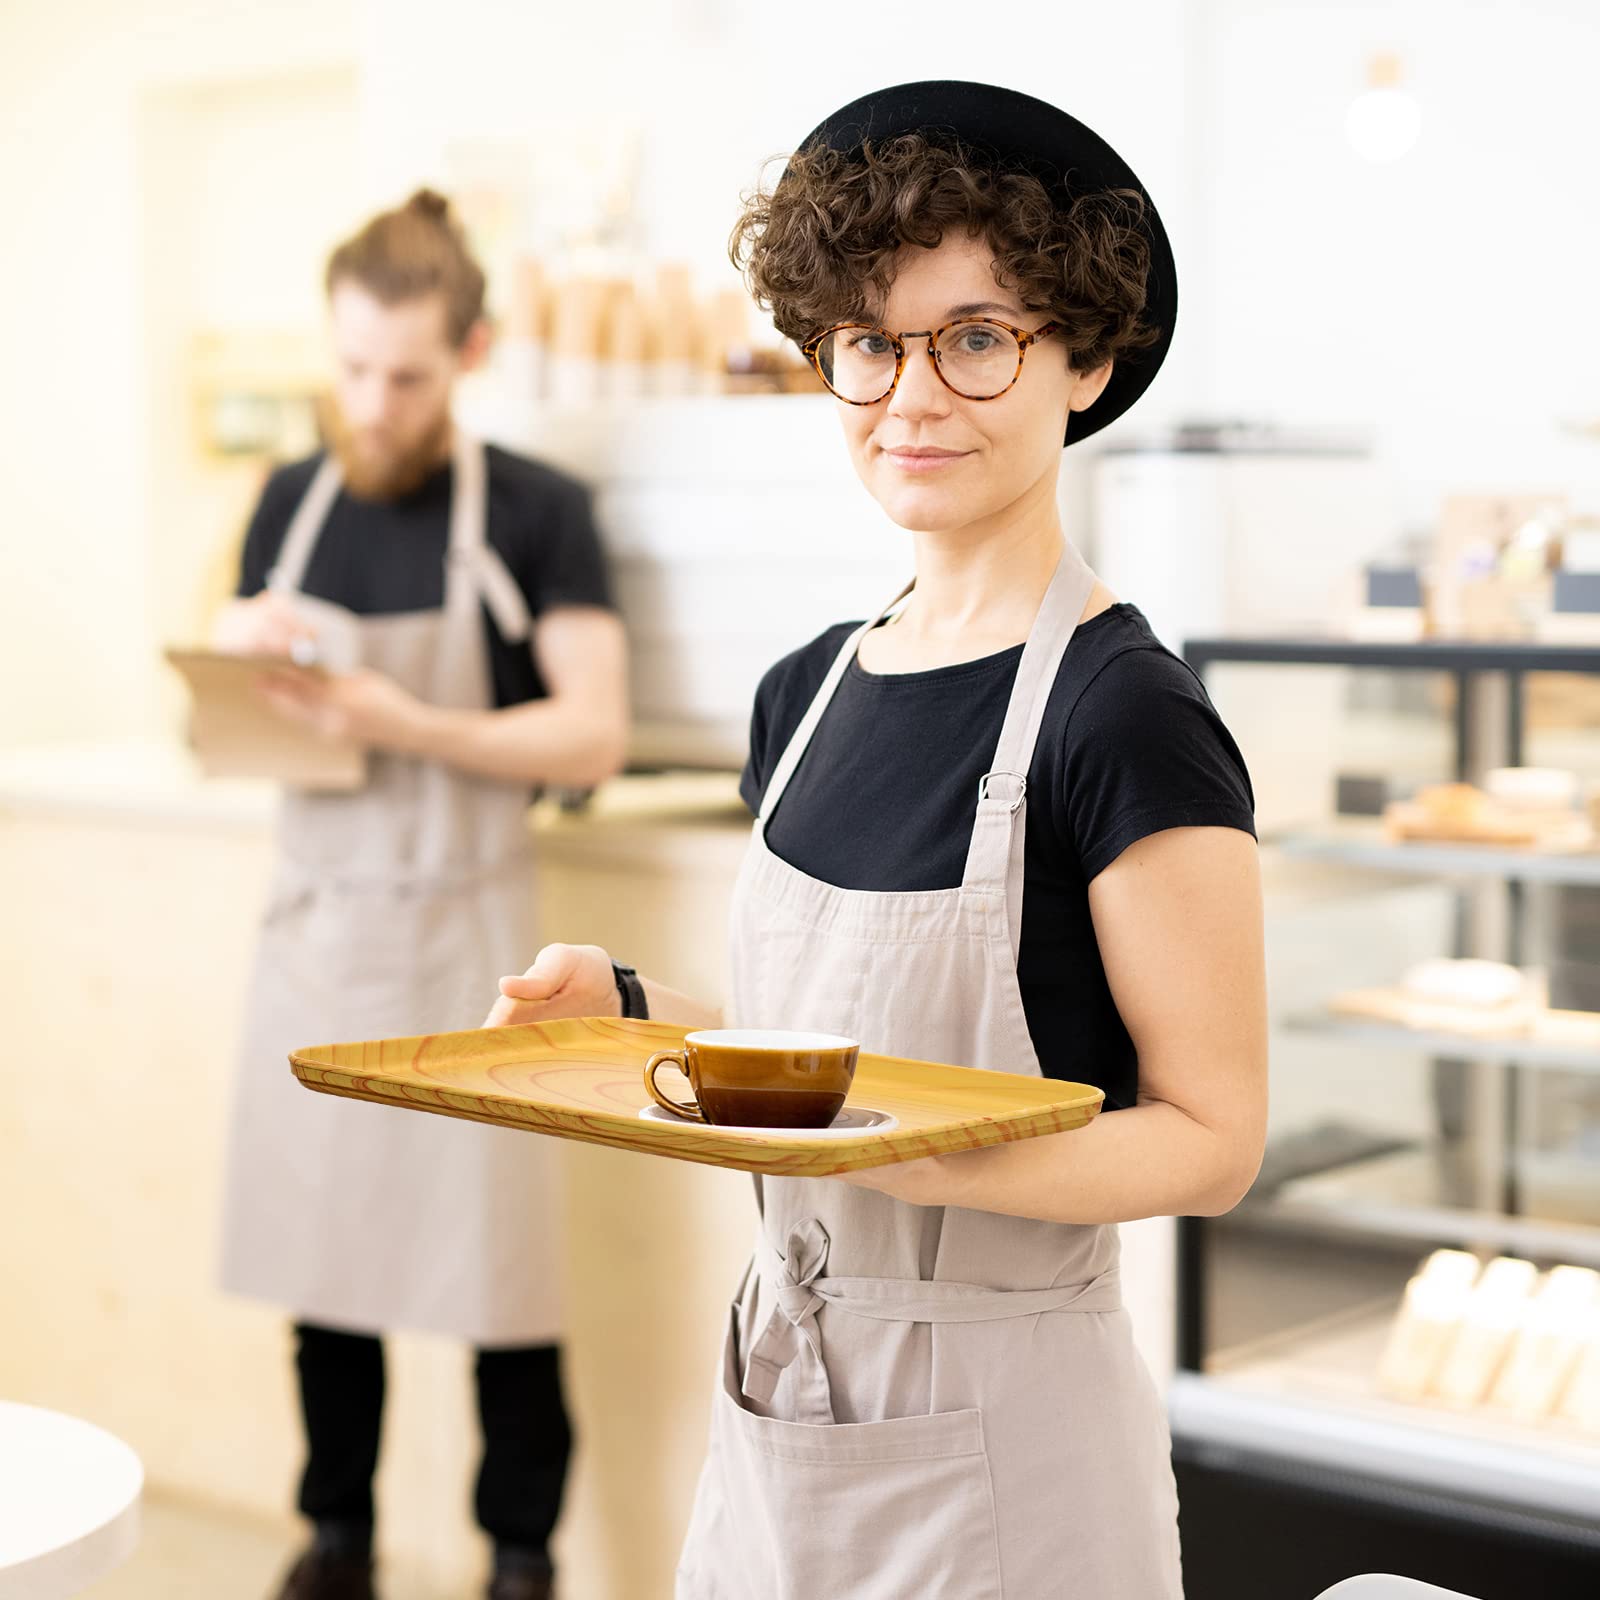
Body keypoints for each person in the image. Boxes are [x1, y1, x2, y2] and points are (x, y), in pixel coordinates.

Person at [488, 81, 1267, 1598]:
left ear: (1086, 361)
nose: (913, 396)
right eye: (868, 344)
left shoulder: (1126, 715)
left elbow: (1213, 1138)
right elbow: (842, 1053)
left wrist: (918, 1169)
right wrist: (638, 1015)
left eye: (977, 339)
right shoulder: (808, 690)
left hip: (1008, 1427)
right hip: (780, 1392)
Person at [214, 190, 627, 1600]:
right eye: (348, 369)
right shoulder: (286, 501)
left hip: (472, 936)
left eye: (403, 374)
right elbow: (225, 738)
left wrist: (408, 723)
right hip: (318, 926)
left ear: (473, 352)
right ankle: (336, 1538)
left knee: (499, 1279)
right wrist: (235, 662)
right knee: (324, 1263)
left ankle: (520, 1556)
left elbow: (592, 735)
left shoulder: (535, 511)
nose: (370, 403)